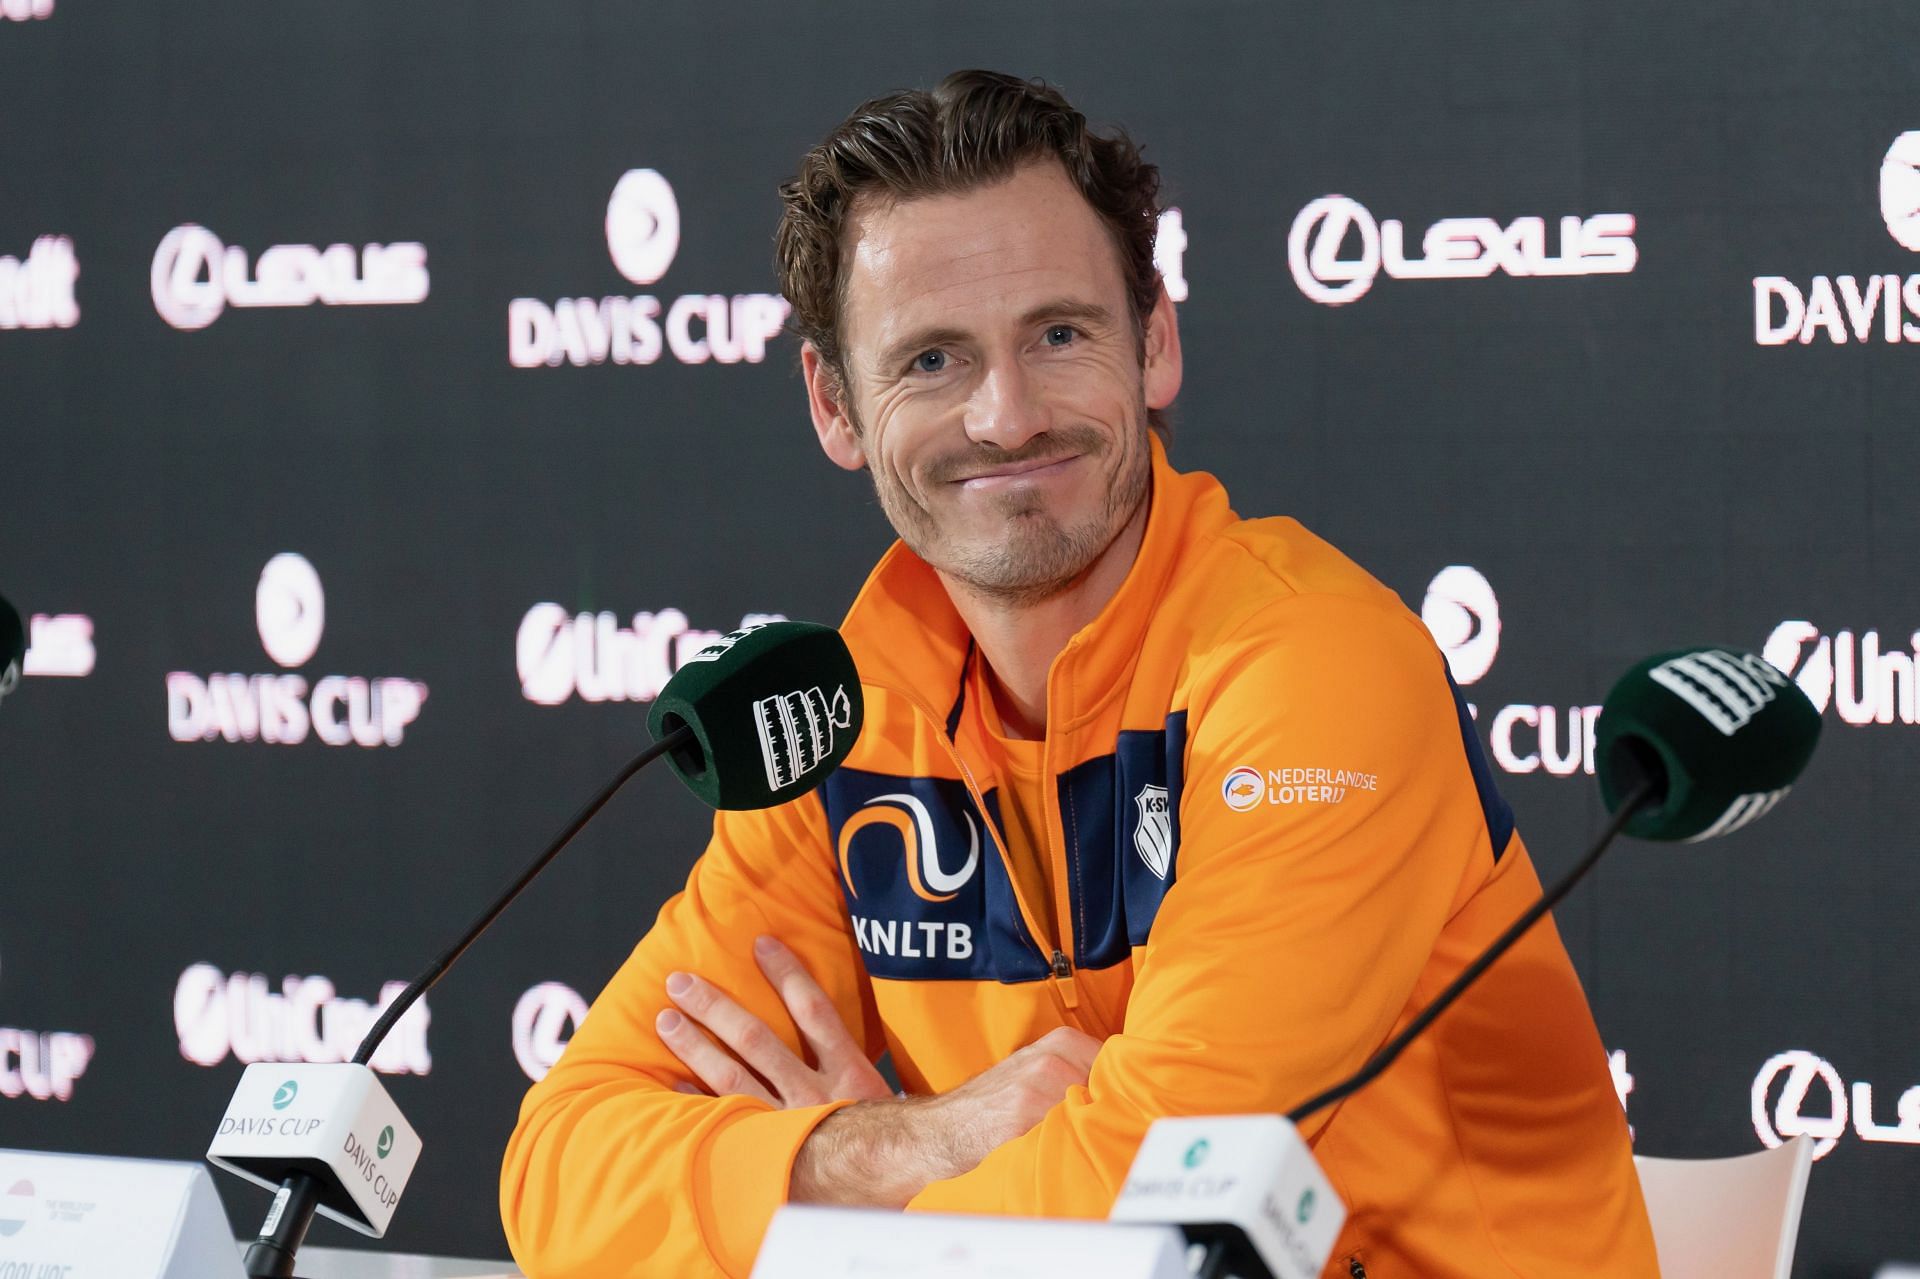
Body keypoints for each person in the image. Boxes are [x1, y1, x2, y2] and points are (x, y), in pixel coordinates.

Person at [500, 69, 1658, 1278]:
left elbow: (1160, 1205)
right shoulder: (849, 716)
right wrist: (894, 1144)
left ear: (1154, 344)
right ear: (834, 407)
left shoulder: (1313, 666)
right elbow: (559, 1177)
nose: (1006, 416)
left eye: (1058, 334)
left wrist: (830, 1214)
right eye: (932, 360)